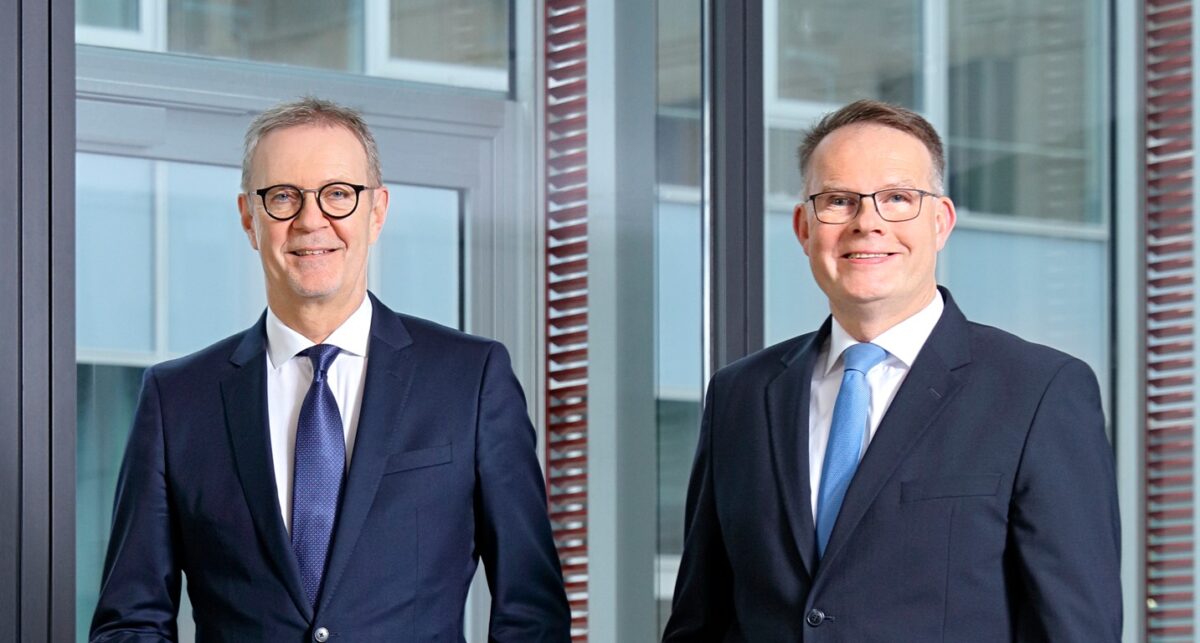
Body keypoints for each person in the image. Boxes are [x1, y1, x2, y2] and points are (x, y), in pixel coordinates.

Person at [90, 97, 571, 642]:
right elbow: (131, 621)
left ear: (377, 211)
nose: (311, 220)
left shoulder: (471, 380)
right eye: (283, 196)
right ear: (249, 217)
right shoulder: (176, 399)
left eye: (338, 194)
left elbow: (532, 614)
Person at [662, 99, 1121, 642]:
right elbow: (701, 621)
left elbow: (1075, 629)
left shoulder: (1038, 392)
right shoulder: (741, 395)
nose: (867, 223)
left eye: (897, 198)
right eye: (839, 201)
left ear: (940, 222)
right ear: (804, 228)